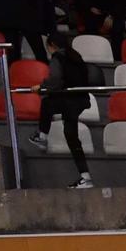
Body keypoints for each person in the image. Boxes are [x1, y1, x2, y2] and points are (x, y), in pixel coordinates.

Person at [26, 32, 95, 190]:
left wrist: (41, 87)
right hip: (80, 100)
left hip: (69, 100)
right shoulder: (76, 56)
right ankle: (86, 178)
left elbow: (55, 80)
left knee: (47, 102)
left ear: (52, 46)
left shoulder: (58, 58)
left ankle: (42, 135)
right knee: (72, 137)